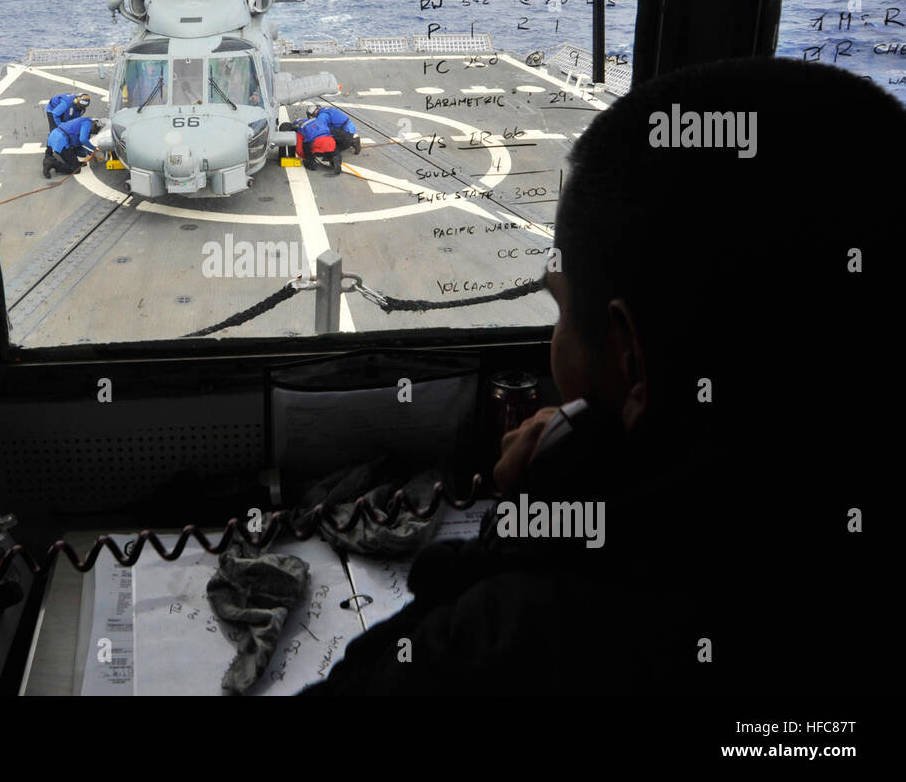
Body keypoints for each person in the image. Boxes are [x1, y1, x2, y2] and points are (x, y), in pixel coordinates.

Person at [299, 58, 900, 696]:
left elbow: (375, 676)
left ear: (631, 362)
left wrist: (532, 522)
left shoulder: (542, 640)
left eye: (560, 309)